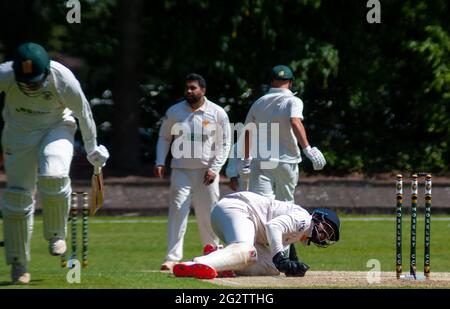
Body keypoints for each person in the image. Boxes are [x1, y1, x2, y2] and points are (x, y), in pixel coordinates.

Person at [0, 42, 109, 284]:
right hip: (18, 132)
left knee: (54, 174)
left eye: (36, 80)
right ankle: (19, 263)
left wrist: (92, 149)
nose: (31, 86)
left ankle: (56, 234)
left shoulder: (63, 79)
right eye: (26, 81)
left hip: (56, 126)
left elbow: (84, 112)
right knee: (17, 197)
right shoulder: (5, 74)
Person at [154, 73, 231, 271]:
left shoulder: (217, 112)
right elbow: (164, 137)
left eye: (193, 88)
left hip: (206, 172)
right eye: (187, 88)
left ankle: (212, 253)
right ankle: (172, 258)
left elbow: (224, 143)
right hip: (181, 171)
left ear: (203, 90)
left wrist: (215, 168)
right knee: (178, 211)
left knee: (208, 214)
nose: (189, 91)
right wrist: (160, 161)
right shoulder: (175, 111)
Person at [172, 191, 340, 279]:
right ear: (318, 218)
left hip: (244, 221)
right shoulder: (304, 219)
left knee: (271, 268)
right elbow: (273, 226)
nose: (324, 235)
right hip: (237, 208)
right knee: (247, 251)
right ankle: (196, 264)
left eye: (328, 236)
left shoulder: (299, 233)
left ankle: (221, 259)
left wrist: (287, 265)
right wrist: (280, 258)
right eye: (327, 228)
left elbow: (277, 246)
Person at [239, 65, 326, 202]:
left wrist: (246, 160)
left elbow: (248, 132)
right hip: (286, 160)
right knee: (285, 205)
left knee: (262, 205)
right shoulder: (294, 101)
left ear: (271, 81)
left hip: (263, 160)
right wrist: (308, 149)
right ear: (291, 82)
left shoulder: (258, 103)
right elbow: (295, 122)